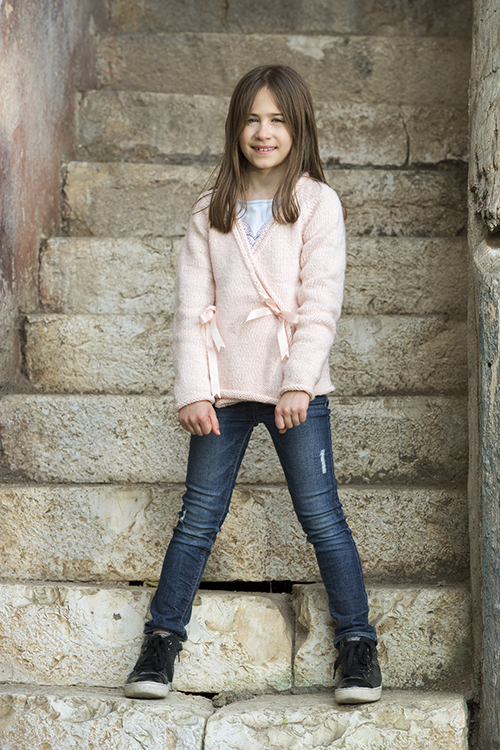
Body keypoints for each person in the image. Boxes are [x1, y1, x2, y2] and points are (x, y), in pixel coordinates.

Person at [124, 64, 382, 705]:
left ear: (299, 128)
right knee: (198, 517)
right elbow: (191, 307)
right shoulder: (209, 209)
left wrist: (298, 383)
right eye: (252, 119)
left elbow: (320, 304)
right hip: (226, 391)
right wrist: (193, 389)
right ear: (235, 127)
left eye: (278, 120)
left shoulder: (318, 203)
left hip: (298, 391)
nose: (264, 132)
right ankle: (161, 641)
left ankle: (357, 644)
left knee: (322, 517)